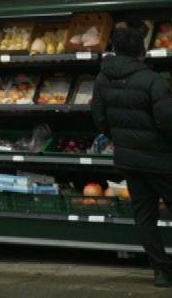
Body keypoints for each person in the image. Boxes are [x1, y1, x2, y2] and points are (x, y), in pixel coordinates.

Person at [92, 22, 172, 288]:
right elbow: (167, 121)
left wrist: (121, 139)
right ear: (142, 51)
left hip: (128, 159)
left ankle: (161, 272)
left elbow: (100, 119)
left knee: (145, 215)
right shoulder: (153, 80)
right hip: (161, 159)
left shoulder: (102, 79)